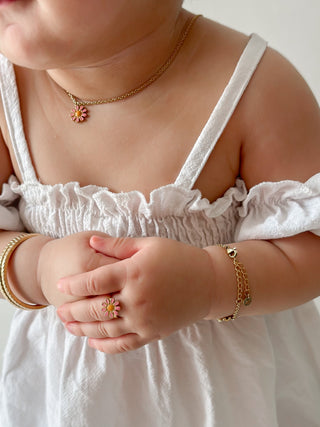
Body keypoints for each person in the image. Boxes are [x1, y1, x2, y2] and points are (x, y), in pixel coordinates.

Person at [0, 1, 319, 426]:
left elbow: (308, 245)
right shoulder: (8, 91)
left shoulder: (253, 87)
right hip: (63, 397)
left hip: (225, 398)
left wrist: (209, 283)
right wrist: (38, 267)